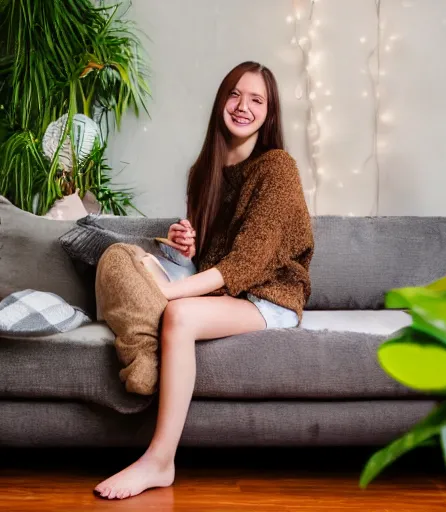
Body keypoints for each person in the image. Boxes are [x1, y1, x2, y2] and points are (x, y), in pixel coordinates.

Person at [93, 61, 315, 500]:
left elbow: (245, 266)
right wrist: (184, 246)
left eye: (257, 100)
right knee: (120, 256)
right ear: (220, 102)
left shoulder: (277, 168)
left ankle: (159, 461)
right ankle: (148, 335)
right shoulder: (204, 171)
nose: (243, 106)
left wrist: (167, 291)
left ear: (269, 115)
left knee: (177, 316)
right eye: (235, 94)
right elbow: (210, 257)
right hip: (216, 286)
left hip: (267, 297)